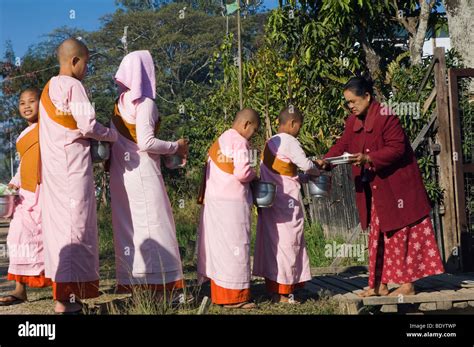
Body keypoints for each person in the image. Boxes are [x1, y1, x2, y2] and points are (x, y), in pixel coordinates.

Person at [318, 77, 444, 297]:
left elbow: (397, 148)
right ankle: (378, 285)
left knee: (399, 234)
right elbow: (343, 145)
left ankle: (407, 285)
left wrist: (368, 158)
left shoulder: (386, 116)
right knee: (377, 236)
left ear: (367, 96)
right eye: (347, 103)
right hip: (374, 191)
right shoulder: (352, 122)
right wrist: (326, 160)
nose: (351, 106)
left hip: (397, 189)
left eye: (353, 101)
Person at [39, 38, 118, 313]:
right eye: (86, 62)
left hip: (53, 172)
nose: (87, 68)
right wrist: (112, 135)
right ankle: (70, 303)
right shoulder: (74, 86)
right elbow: (87, 125)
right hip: (72, 168)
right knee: (76, 227)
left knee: (60, 229)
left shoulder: (47, 88)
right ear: (75, 61)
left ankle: (64, 299)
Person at [109, 50, 188, 299]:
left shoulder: (118, 104)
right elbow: (146, 142)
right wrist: (176, 146)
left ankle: (136, 284)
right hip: (143, 172)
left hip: (121, 175)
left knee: (129, 228)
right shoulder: (145, 103)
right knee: (157, 225)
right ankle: (164, 286)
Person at [253, 106, 320, 304]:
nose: (300, 130)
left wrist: (304, 177)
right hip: (286, 202)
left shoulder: (270, 142)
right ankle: (284, 293)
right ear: (292, 124)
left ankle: (275, 290)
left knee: (274, 244)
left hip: (269, 200)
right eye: (299, 125)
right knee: (289, 243)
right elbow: (306, 165)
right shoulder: (290, 142)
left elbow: (285, 172)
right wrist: (318, 168)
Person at [197, 108, 260, 309]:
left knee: (220, 249)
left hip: (214, 203)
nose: (253, 135)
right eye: (254, 130)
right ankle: (235, 297)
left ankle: (220, 295)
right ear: (246, 125)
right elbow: (242, 173)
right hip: (232, 205)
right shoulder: (240, 142)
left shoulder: (221, 139)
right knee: (236, 247)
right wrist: (254, 175)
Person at [0, 88, 52, 306]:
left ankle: (65, 290)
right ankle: (20, 290)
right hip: (26, 194)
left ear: (42, 104)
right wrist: (13, 184)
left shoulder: (49, 128)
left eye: (32, 101)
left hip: (46, 191)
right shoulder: (23, 135)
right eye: (22, 103)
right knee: (17, 236)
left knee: (49, 240)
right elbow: (24, 165)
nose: (27, 106)